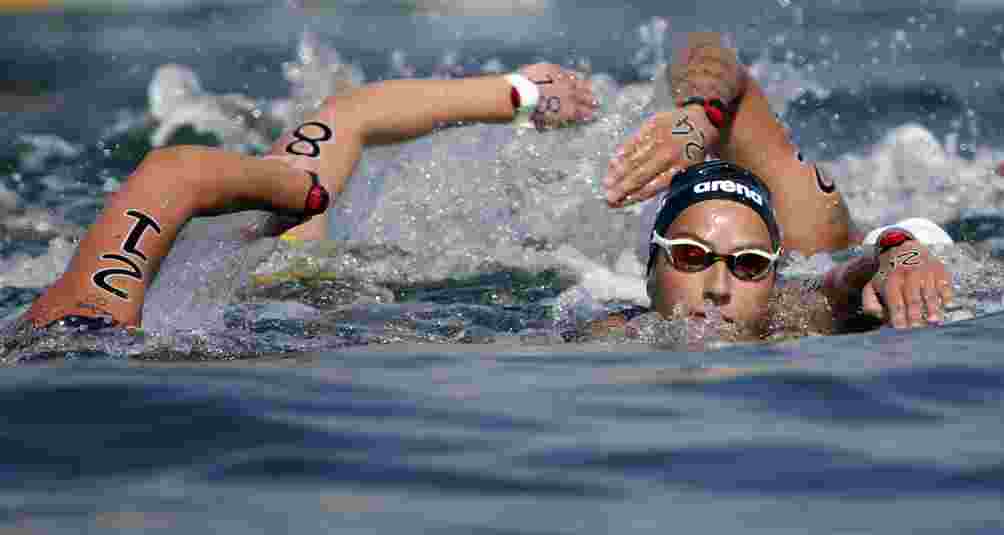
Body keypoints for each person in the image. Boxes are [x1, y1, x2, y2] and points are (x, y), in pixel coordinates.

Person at [20, 63, 598, 331]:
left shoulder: (75, 325)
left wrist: (296, 189)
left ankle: (520, 90)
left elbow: (172, 172)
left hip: (281, 265)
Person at [600, 33, 954, 333]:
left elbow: (850, 277)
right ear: (650, 270)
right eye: (689, 256)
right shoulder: (604, 330)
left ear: (773, 276)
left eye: (751, 263)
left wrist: (901, 250)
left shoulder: (800, 292)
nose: (718, 289)